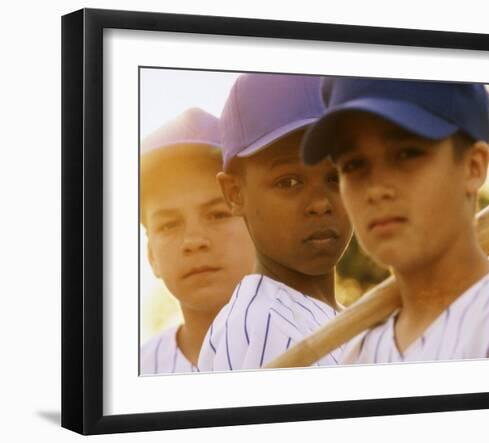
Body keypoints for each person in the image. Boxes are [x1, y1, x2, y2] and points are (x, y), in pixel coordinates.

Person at [301, 78, 489, 363]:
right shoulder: (357, 357)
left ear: (473, 167)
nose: (376, 189)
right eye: (354, 164)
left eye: (407, 153)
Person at [197, 73, 353, 371]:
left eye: (336, 176)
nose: (320, 203)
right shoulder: (266, 327)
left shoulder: (330, 318)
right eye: (289, 181)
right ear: (235, 194)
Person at [140, 108, 256, 374]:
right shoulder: (133, 374)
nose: (193, 241)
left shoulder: (335, 353)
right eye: (168, 224)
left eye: (217, 214)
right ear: (151, 256)